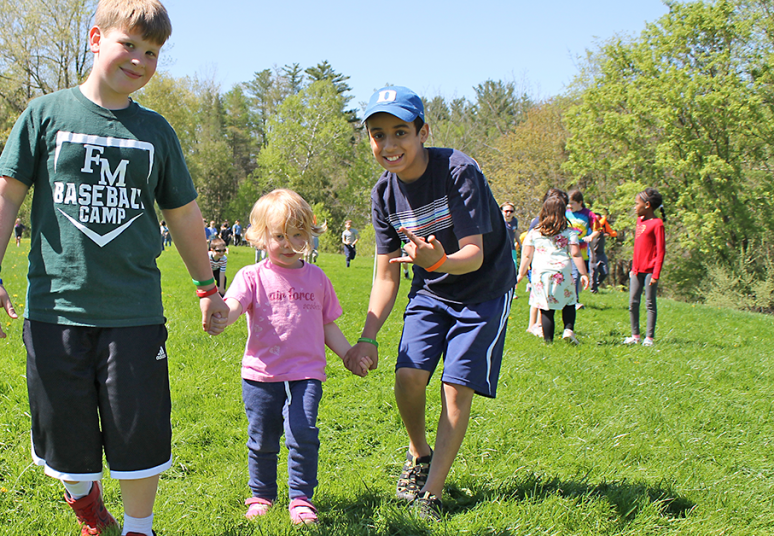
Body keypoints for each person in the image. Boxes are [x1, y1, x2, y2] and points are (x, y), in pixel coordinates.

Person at [0, 2, 227, 535]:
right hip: (54, 311)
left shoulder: (156, 132)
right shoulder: (45, 115)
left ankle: (139, 527)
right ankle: (87, 506)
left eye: (152, 52)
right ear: (95, 38)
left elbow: (183, 214)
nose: (139, 60)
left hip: (133, 314)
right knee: (63, 434)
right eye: (129, 45)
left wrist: (207, 288)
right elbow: (4, 194)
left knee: (140, 433)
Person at [344, 86, 515, 520]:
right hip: (432, 291)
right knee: (407, 376)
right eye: (377, 134)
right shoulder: (384, 194)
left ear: (423, 132)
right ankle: (419, 454)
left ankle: (432, 496)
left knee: (455, 387)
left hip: (484, 290)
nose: (389, 144)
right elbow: (386, 274)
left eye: (400, 132)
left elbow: (474, 254)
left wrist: (439, 259)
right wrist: (367, 337)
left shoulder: (457, 170)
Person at [213, 189, 366, 525]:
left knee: (303, 431)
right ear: (261, 236)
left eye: (297, 235)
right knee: (263, 437)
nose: (288, 243)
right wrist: (222, 315)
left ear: (309, 236)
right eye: (279, 236)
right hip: (261, 373)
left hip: (306, 372)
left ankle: (301, 498)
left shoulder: (317, 278)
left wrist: (348, 354)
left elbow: (327, 324)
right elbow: (235, 305)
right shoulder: (252, 276)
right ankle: (262, 494)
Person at [516, 189, 590, 344]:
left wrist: (520, 274)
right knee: (569, 302)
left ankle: (548, 342)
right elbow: (576, 254)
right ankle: (568, 330)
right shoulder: (570, 232)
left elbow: (527, 255)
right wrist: (584, 274)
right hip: (562, 270)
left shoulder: (535, 233)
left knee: (546, 308)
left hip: (541, 272)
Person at [624, 188, 666, 347]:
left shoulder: (657, 224)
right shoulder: (639, 221)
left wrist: (656, 274)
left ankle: (649, 338)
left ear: (647, 205)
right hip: (636, 271)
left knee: (650, 303)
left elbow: (661, 251)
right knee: (633, 302)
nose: (635, 207)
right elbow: (637, 248)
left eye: (637, 204)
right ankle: (635, 336)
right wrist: (633, 268)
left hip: (650, 272)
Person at [565, 191, 598, 309]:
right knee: (571, 274)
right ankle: (573, 301)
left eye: (572, 203)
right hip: (566, 248)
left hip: (582, 250)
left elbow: (597, 229)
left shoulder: (588, 214)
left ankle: (572, 299)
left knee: (577, 275)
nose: (570, 206)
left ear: (580, 202)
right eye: (568, 203)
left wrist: (591, 237)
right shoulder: (566, 213)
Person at [589, 207, 617, 292]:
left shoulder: (603, 225)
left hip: (601, 253)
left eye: (598, 218)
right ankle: (593, 289)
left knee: (605, 272)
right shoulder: (591, 226)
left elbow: (614, 233)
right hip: (593, 252)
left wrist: (607, 234)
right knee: (594, 272)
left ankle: (596, 284)